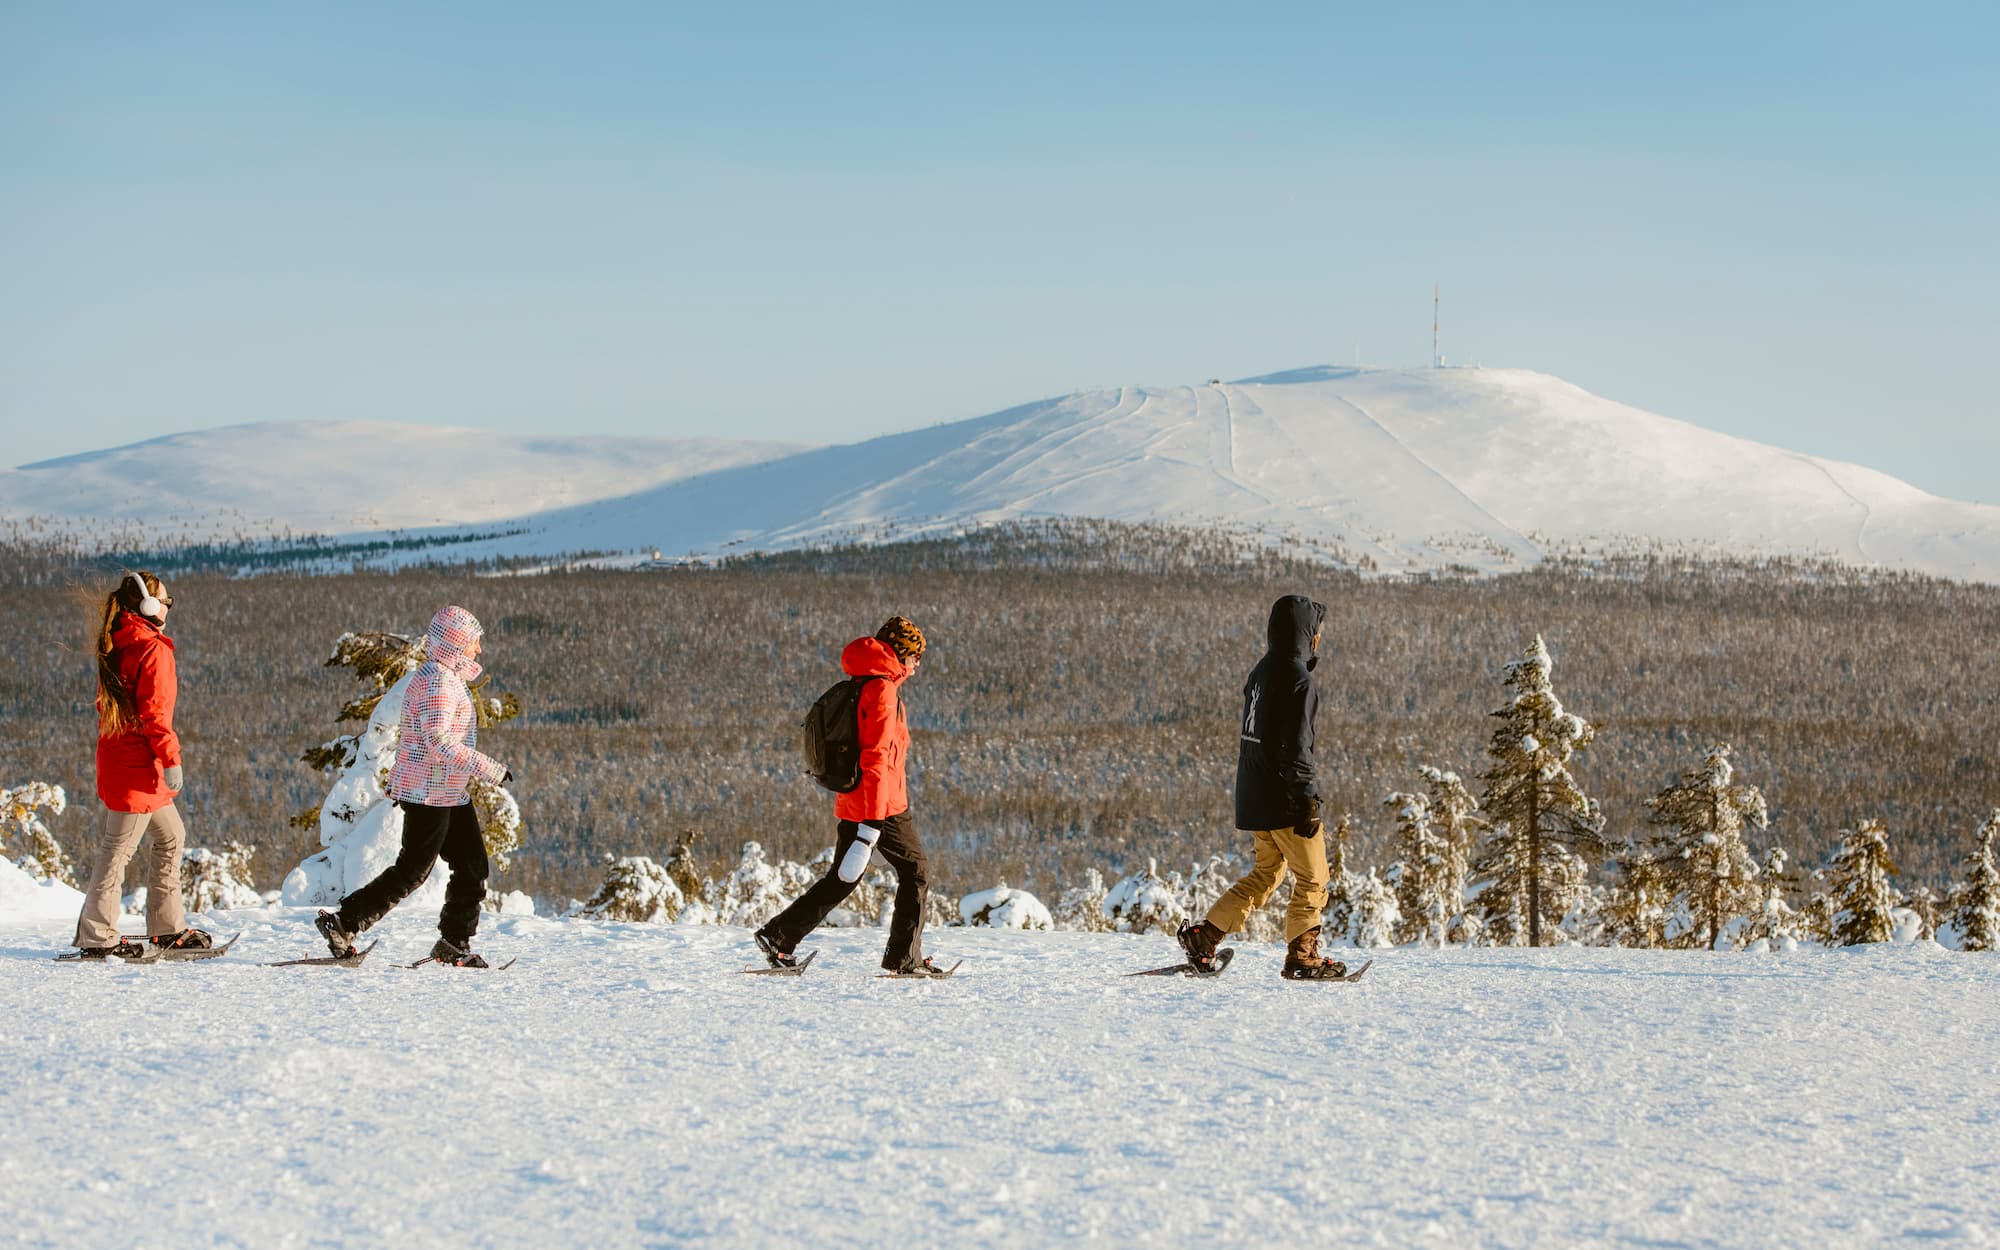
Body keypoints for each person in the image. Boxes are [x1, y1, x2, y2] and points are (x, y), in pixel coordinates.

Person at [314, 606, 510, 967]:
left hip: (446, 791)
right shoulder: (438, 682)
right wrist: (489, 768)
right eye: (474, 642)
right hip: (427, 794)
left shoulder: (446, 678)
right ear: (456, 643)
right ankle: (345, 922)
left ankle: (454, 942)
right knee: (413, 871)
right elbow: (437, 742)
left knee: (472, 866)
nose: (479, 650)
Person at [755, 615, 947, 976]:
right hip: (880, 805)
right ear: (901, 653)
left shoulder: (867, 682)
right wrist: (874, 820)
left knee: (843, 877)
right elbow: (875, 756)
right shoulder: (882, 691)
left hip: (858, 799)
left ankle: (779, 937)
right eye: (916, 655)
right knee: (916, 871)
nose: (918, 663)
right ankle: (904, 959)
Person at [1177, 594, 1348, 979]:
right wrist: (1306, 799)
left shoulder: (1261, 672)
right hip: (1285, 797)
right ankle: (1302, 957)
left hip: (1254, 795)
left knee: (1266, 874)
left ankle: (1205, 937)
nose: (1319, 638)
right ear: (1307, 635)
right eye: (1317, 632)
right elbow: (1296, 746)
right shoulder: (1299, 680)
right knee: (1314, 878)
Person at [73, 571, 213, 958]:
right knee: (116, 851)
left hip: (123, 763)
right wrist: (171, 759)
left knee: (171, 837)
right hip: (139, 769)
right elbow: (156, 715)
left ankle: (167, 928)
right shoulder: (152, 649)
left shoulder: (118, 640)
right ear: (149, 606)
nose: (168, 607)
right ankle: (98, 936)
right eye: (165, 601)